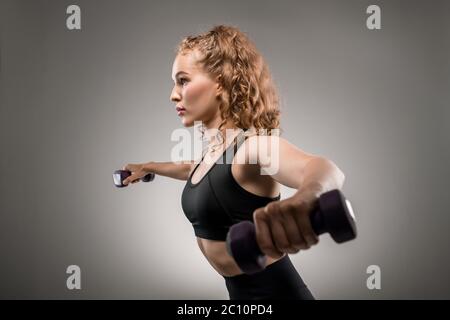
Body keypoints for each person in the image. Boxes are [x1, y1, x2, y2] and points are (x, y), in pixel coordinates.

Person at [122, 25, 345, 300]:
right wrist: (150, 166)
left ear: (219, 81)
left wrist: (306, 199)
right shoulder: (218, 151)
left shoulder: (252, 146)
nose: (173, 94)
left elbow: (322, 169)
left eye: (183, 80)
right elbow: (196, 170)